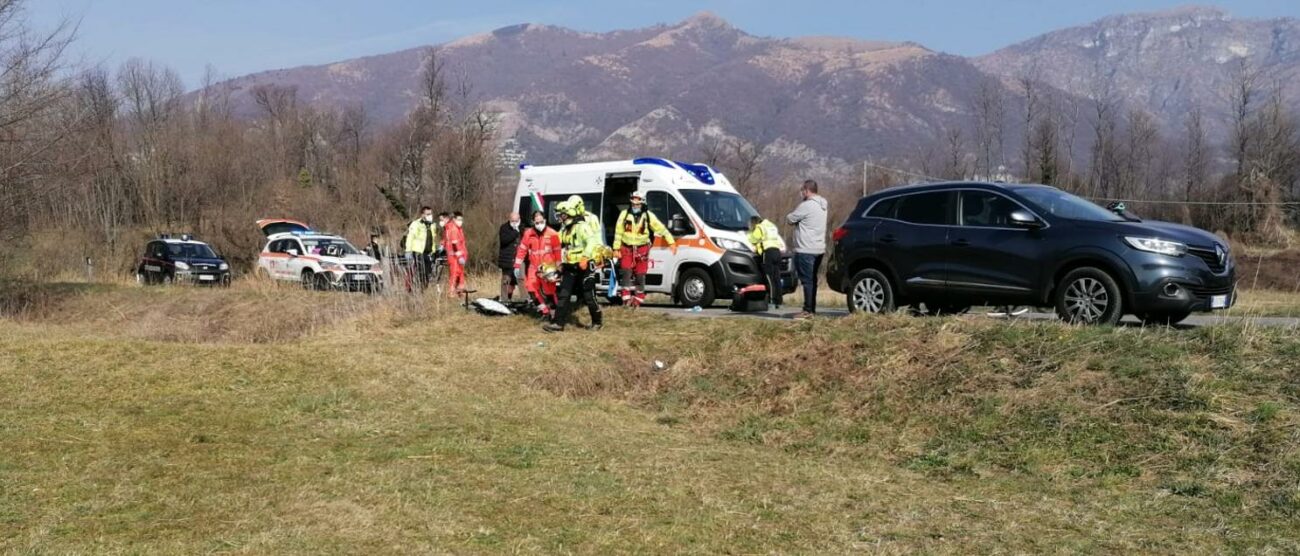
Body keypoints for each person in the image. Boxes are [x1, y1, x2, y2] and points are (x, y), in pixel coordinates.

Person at [545, 196, 604, 332]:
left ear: (569, 213)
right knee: (564, 294)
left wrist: (585, 257)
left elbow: (591, 242)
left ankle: (597, 322)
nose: (559, 217)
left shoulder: (582, 226)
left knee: (589, 295)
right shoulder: (565, 228)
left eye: (561, 215)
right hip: (570, 267)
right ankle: (558, 324)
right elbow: (557, 240)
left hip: (584, 266)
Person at [612, 191, 676, 307]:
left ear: (642, 204)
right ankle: (625, 297)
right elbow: (618, 232)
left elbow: (660, 228)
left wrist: (671, 242)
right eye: (633, 203)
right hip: (626, 248)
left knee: (640, 275)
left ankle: (638, 298)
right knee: (626, 272)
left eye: (638, 204)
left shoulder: (648, 216)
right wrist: (616, 248)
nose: (635, 206)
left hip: (642, 249)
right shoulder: (624, 214)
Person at [786, 179, 828, 319]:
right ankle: (812, 309)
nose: (801, 193)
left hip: (806, 249)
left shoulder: (806, 206)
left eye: (802, 190)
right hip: (819, 248)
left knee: (807, 281)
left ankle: (807, 310)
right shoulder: (823, 204)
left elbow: (790, 219)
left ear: (807, 190)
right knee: (813, 280)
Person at [514, 211, 562, 319]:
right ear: (533, 222)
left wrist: (559, 267)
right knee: (531, 288)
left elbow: (557, 251)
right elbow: (522, 249)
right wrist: (517, 265)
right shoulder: (529, 233)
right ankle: (544, 310)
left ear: (544, 220)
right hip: (534, 266)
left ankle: (555, 314)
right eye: (537, 222)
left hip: (548, 267)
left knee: (549, 291)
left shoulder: (552, 233)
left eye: (541, 221)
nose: (539, 224)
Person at [747, 215, 787, 310]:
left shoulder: (760, 227)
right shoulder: (771, 226)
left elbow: (753, 239)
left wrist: (748, 234)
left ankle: (772, 301)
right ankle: (779, 302)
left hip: (768, 253)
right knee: (777, 277)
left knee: (769, 278)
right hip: (777, 252)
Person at [404, 206, 438, 289]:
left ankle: (424, 288)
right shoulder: (416, 224)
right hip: (419, 252)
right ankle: (418, 289)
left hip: (428, 252)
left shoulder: (432, 225)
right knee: (421, 272)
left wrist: (434, 250)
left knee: (428, 273)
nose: (430, 215)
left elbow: (432, 239)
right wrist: (408, 251)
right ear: (422, 214)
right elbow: (410, 237)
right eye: (428, 214)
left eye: (431, 213)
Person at [497, 212, 522, 302]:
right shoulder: (504, 228)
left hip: (519, 259)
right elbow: (504, 240)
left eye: (516, 221)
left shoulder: (522, 227)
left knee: (517, 281)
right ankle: (504, 299)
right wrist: (515, 232)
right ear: (509, 219)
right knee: (506, 280)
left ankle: (516, 298)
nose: (515, 222)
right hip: (507, 259)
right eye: (513, 221)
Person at [443, 211, 468, 296]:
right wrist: (460, 256)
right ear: (454, 219)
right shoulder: (453, 229)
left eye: (461, 219)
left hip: (457, 255)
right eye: (459, 219)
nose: (460, 221)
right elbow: (455, 244)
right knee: (454, 274)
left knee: (459, 273)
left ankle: (459, 291)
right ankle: (451, 292)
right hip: (455, 256)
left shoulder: (456, 228)